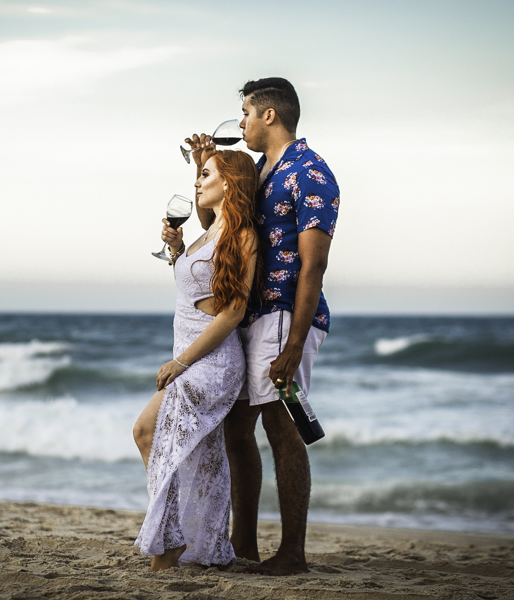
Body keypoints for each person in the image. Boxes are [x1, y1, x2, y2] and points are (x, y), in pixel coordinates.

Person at [184, 77, 340, 575]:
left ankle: (292, 552)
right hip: (253, 317)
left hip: (282, 316)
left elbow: (314, 266)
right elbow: (223, 217)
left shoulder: (309, 172)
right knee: (236, 428)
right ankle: (243, 547)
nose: (243, 123)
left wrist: (294, 341)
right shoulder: (264, 171)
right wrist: (202, 168)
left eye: (247, 113)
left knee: (281, 424)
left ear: (269, 115)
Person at [132, 150, 260, 571]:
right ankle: (190, 543)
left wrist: (182, 363)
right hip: (189, 355)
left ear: (229, 183)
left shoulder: (242, 235)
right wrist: (177, 251)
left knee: (147, 430)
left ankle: (169, 544)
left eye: (205, 174)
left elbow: (233, 312)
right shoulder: (210, 232)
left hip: (213, 363)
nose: (197, 181)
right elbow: (196, 290)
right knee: (195, 454)